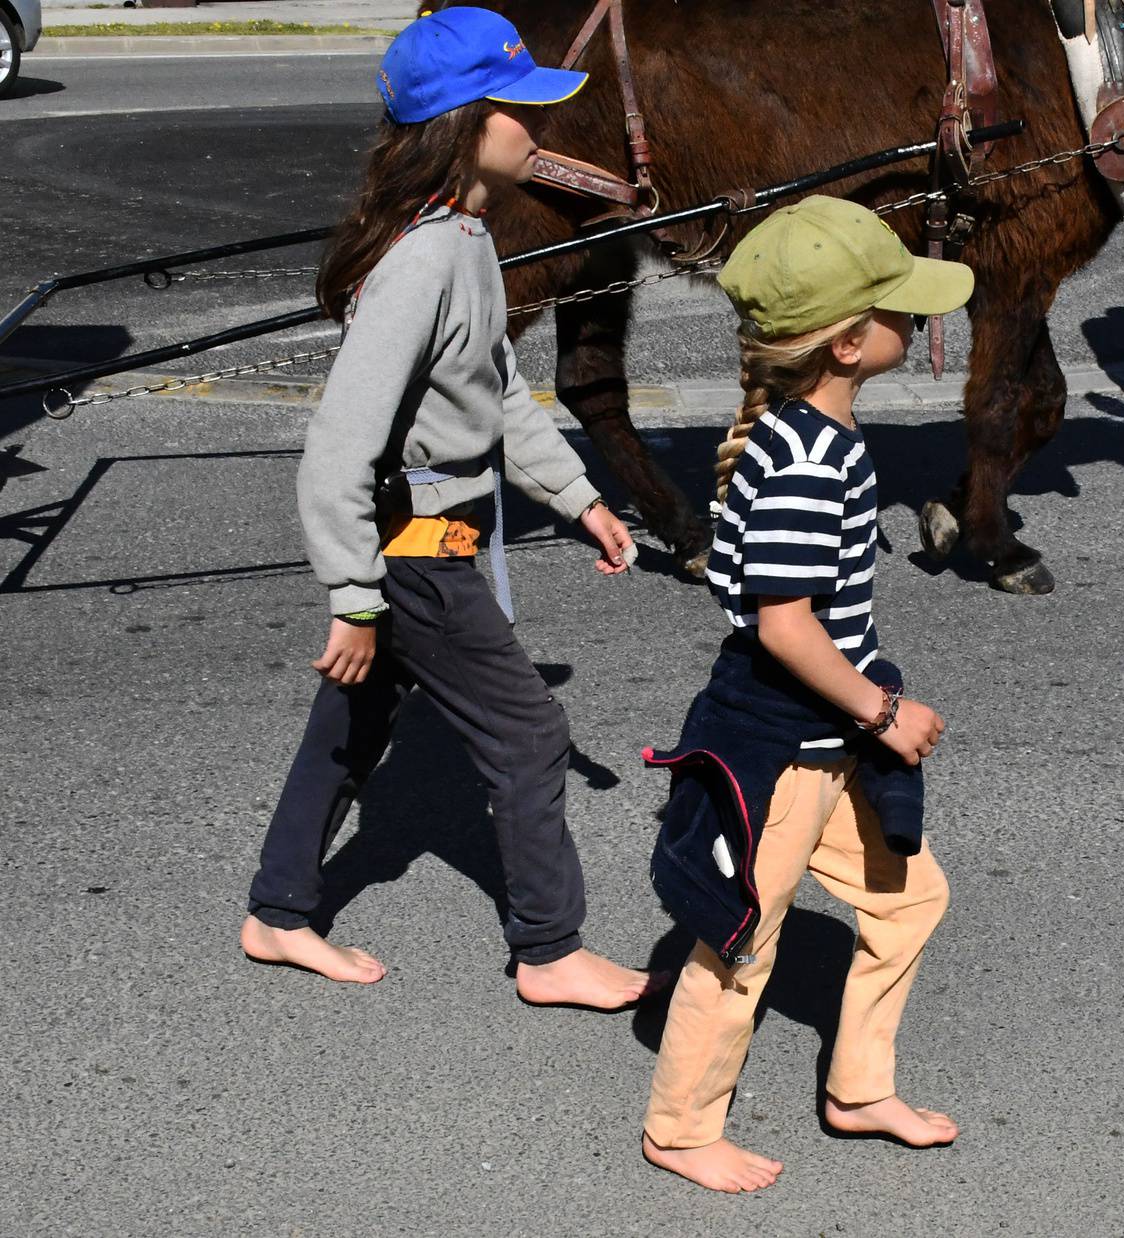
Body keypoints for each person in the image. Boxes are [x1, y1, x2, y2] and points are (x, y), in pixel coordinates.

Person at [240, 7, 666, 1011]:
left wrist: (577, 498)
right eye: (522, 110)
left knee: (349, 725)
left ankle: (276, 909)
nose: (541, 130)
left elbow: (499, 389)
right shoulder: (425, 258)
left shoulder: (466, 234)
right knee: (527, 732)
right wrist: (352, 595)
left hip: (437, 531)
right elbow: (338, 449)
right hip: (416, 539)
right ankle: (550, 948)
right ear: (465, 124)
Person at [637, 196, 967, 1193]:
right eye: (901, 309)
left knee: (911, 898)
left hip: (824, 739)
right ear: (853, 343)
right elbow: (783, 625)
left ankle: (859, 1086)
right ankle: (682, 1128)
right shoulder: (811, 461)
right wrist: (880, 711)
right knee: (740, 939)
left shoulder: (800, 433)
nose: (917, 323)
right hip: (786, 743)